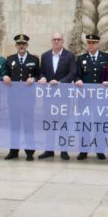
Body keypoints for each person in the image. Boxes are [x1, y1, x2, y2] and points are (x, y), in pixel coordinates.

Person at [38, 32, 76, 160]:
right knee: (50, 122)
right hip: (49, 95)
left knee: (63, 123)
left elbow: (72, 73)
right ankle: (49, 150)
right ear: (51, 41)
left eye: (58, 39)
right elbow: (41, 71)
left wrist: (60, 83)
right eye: (54, 39)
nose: (56, 41)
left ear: (62, 41)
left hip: (63, 95)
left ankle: (64, 150)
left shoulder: (70, 55)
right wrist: (42, 78)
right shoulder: (45, 56)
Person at [3, 34, 40, 161]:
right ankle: (13, 150)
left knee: (28, 125)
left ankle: (29, 151)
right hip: (13, 98)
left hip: (28, 98)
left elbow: (39, 75)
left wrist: (33, 78)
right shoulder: (9, 59)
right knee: (14, 125)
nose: (21, 46)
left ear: (27, 45)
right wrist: (5, 77)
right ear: (16, 45)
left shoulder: (34, 60)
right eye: (19, 44)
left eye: (23, 44)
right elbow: (5, 73)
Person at [74, 34, 108, 161]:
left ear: (98, 44)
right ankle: (83, 150)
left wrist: (107, 81)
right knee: (84, 124)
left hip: (100, 98)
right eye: (89, 43)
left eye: (94, 43)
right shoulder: (80, 58)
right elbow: (76, 74)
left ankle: (100, 150)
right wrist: (77, 80)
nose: (91, 45)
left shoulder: (106, 57)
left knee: (99, 124)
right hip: (84, 98)